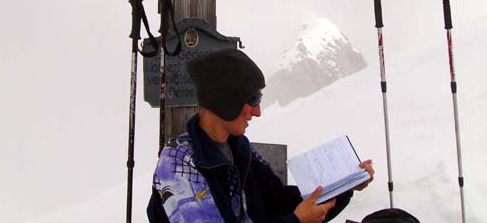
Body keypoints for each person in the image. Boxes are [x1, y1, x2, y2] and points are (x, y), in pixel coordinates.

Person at [147, 48, 374, 223]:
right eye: (253, 100)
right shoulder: (178, 161)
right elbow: (293, 216)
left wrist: (344, 186)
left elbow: (279, 201)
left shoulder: (239, 147)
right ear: (226, 100)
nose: (257, 112)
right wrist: (296, 221)